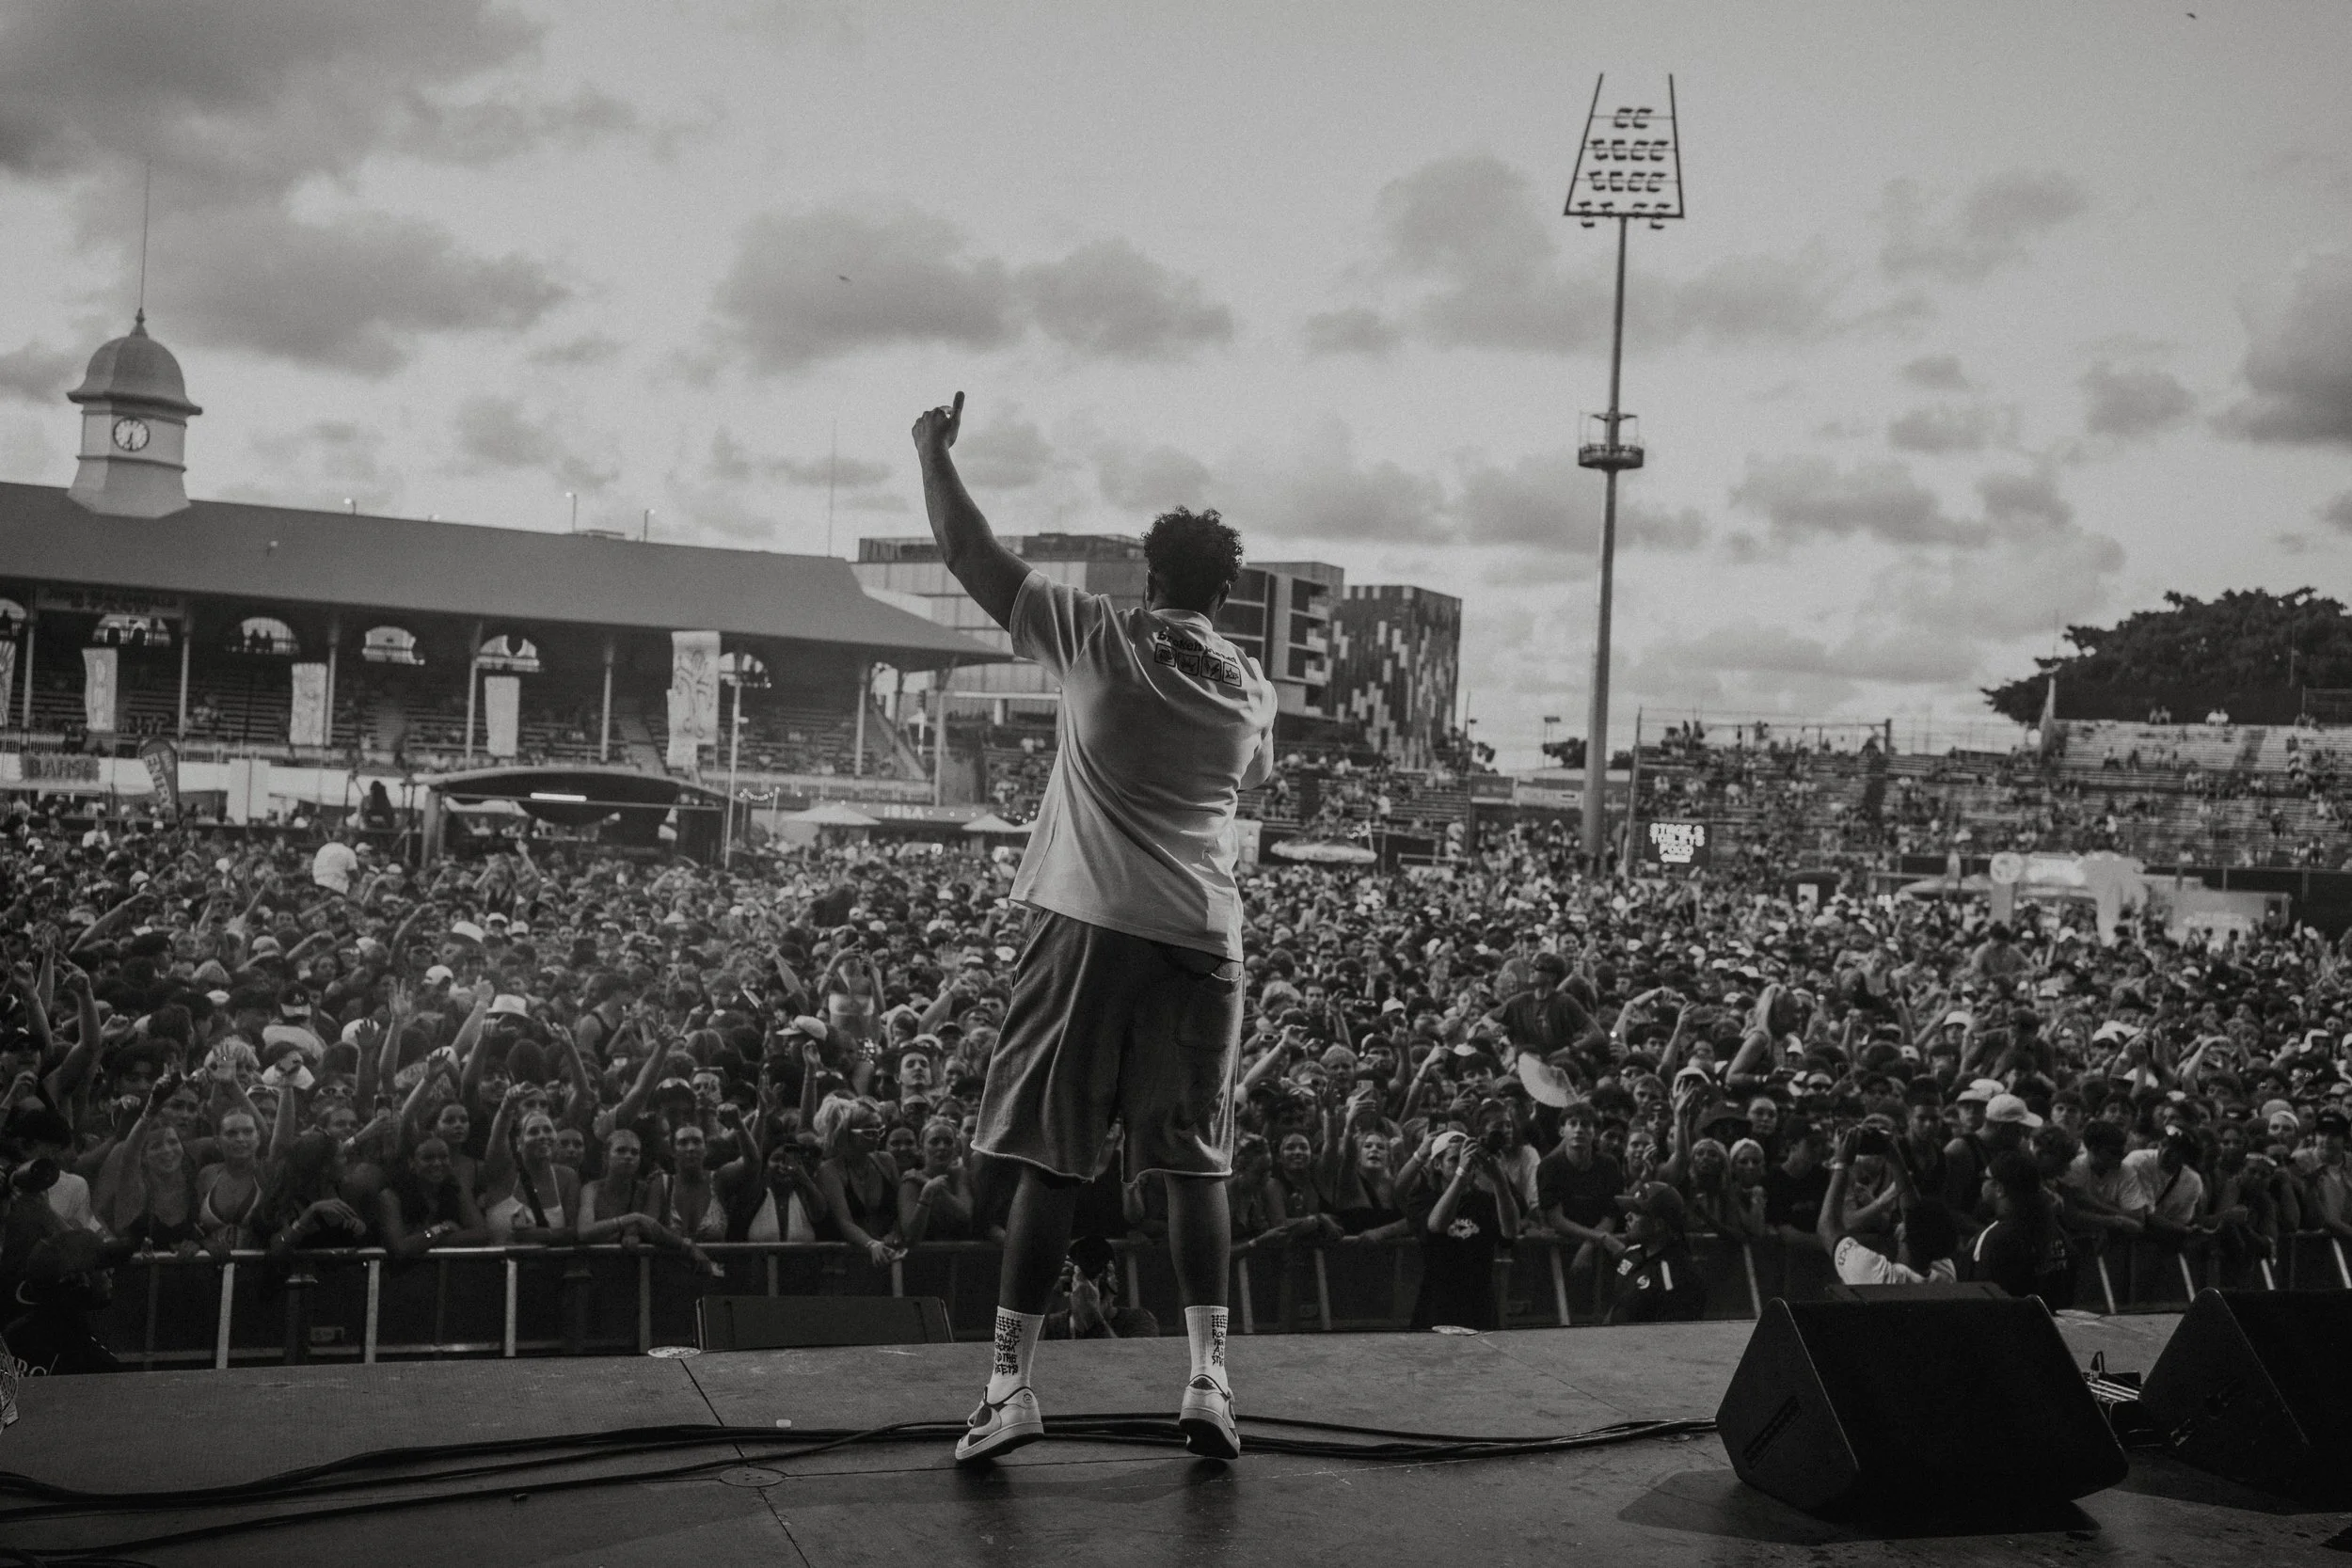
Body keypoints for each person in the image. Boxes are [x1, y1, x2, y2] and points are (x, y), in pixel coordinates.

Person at [915, 391, 1276, 1465]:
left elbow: (964, 549)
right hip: (1206, 936)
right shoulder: (1252, 686)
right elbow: (1245, 795)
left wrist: (931, 448)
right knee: (1196, 1165)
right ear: (1226, 591)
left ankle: (1010, 1387)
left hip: (1091, 920)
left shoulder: (1100, 629)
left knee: (1052, 1161)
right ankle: (1209, 1380)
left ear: (1149, 577)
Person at [1604, 1180, 1708, 1323]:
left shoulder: (1679, 1277)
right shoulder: (1631, 1254)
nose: (1627, 1216)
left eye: (1636, 1213)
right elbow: (1617, 1306)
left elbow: (1676, 1337)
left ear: (1658, 1225)